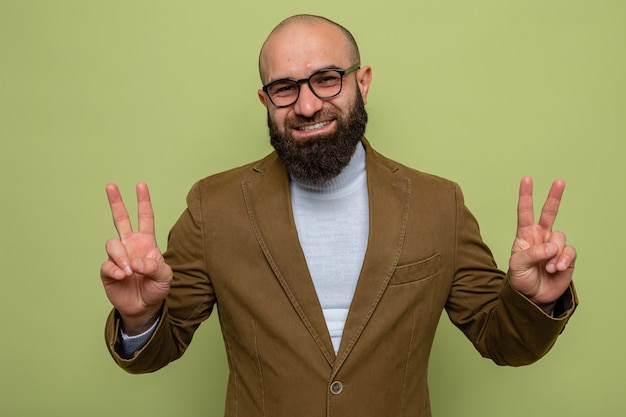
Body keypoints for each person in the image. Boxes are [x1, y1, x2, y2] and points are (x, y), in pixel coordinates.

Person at [100, 14, 577, 417]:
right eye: (284, 88)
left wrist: (534, 301)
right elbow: (154, 353)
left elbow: (505, 342)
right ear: (266, 101)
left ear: (361, 81)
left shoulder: (439, 204)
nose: (307, 105)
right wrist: (138, 318)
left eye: (327, 78)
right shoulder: (214, 206)